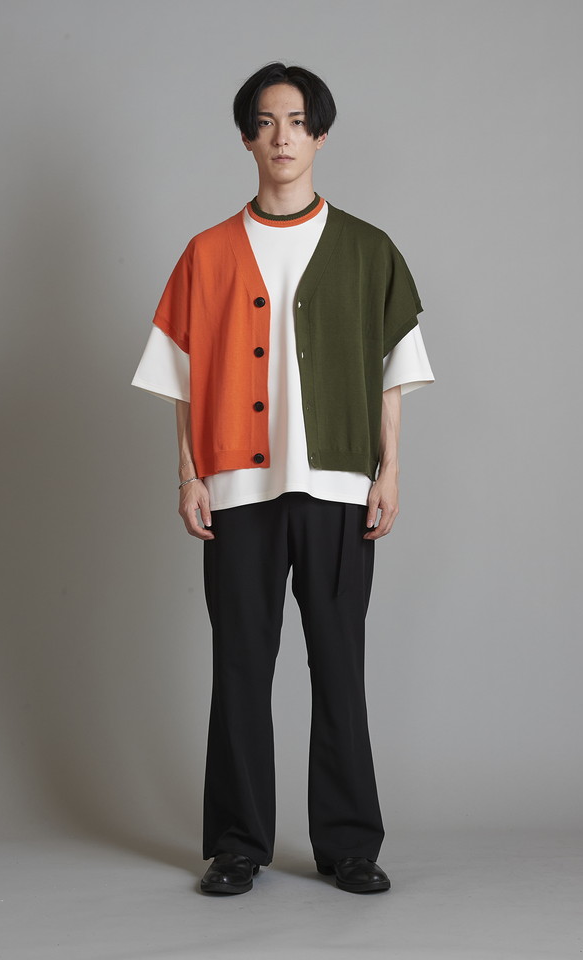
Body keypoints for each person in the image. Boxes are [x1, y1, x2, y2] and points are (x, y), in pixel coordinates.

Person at [132, 62, 433, 895]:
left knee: (339, 664)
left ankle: (349, 844)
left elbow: (394, 370)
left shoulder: (368, 249)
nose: (282, 138)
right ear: (246, 137)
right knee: (239, 666)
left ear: (321, 135)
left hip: (339, 490)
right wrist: (188, 474)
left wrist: (390, 470)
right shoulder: (207, 252)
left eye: (298, 122)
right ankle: (237, 845)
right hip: (237, 491)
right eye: (266, 122)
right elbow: (181, 375)